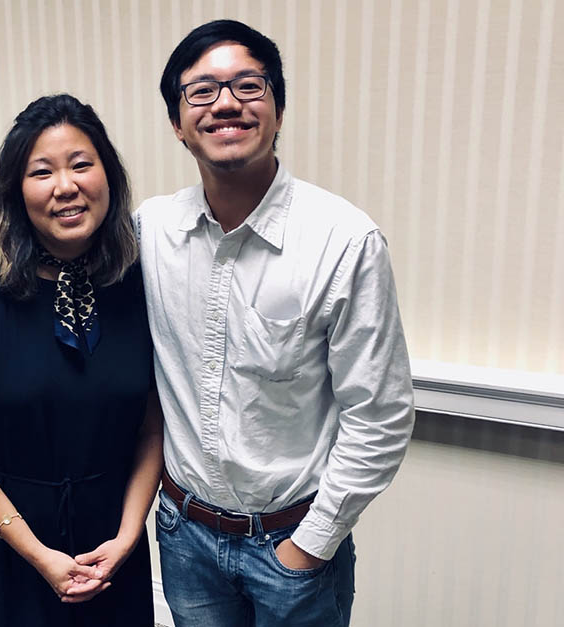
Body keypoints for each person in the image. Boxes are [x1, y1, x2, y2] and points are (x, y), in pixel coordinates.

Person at [134, 20, 415, 626]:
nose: (226, 103)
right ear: (178, 126)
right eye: (201, 91)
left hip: (292, 548)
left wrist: (310, 545)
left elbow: (381, 415)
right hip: (185, 537)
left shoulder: (343, 241)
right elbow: (61, 255)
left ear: (278, 111)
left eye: (248, 86)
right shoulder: (151, 231)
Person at [0, 94, 162, 626]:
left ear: (108, 177)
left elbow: (153, 426)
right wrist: (38, 554)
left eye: (82, 165)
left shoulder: (138, 285)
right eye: (41, 172)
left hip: (111, 554)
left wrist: (128, 536)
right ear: (15, 193)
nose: (65, 186)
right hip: (4, 547)